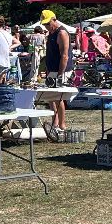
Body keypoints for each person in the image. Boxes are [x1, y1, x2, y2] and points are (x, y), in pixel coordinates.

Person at [40, 9, 74, 140]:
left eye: (48, 23)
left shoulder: (62, 33)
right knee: (50, 97)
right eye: (45, 24)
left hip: (61, 70)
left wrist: (60, 74)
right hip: (51, 69)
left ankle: (62, 125)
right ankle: (54, 122)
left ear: (54, 19)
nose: (47, 26)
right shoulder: (51, 33)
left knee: (58, 97)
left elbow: (64, 56)